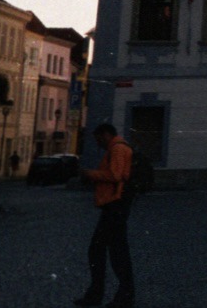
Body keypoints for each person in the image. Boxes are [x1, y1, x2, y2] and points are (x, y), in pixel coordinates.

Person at [75, 123, 134, 308]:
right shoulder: (119, 147)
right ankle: (118, 295)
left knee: (104, 250)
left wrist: (91, 174)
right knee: (113, 251)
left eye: (98, 138)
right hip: (116, 205)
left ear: (106, 134)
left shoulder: (117, 149)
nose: (98, 143)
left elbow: (115, 175)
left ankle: (107, 295)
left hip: (114, 205)